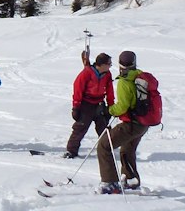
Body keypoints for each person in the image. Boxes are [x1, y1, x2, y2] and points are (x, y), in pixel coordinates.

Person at [96, 50, 150, 194]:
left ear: (120, 65)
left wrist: (108, 110)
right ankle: (131, 180)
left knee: (104, 145)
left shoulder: (125, 82)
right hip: (143, 124)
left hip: (132, 124)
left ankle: (110, 183)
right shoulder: (140, 76)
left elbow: (123, 106)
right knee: (127, 149)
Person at [63, 52, 114, 158]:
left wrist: (110, 106)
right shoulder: (87, 73)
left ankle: (109, 148)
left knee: (103, 128)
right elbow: (78, 89)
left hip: (99, 103)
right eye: (109, 64)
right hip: (86, 104)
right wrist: (76, 106)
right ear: (102, 64)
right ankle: (71, 151)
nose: (110, 66)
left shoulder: (107, 74)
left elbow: (110, 90)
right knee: (80, 128)